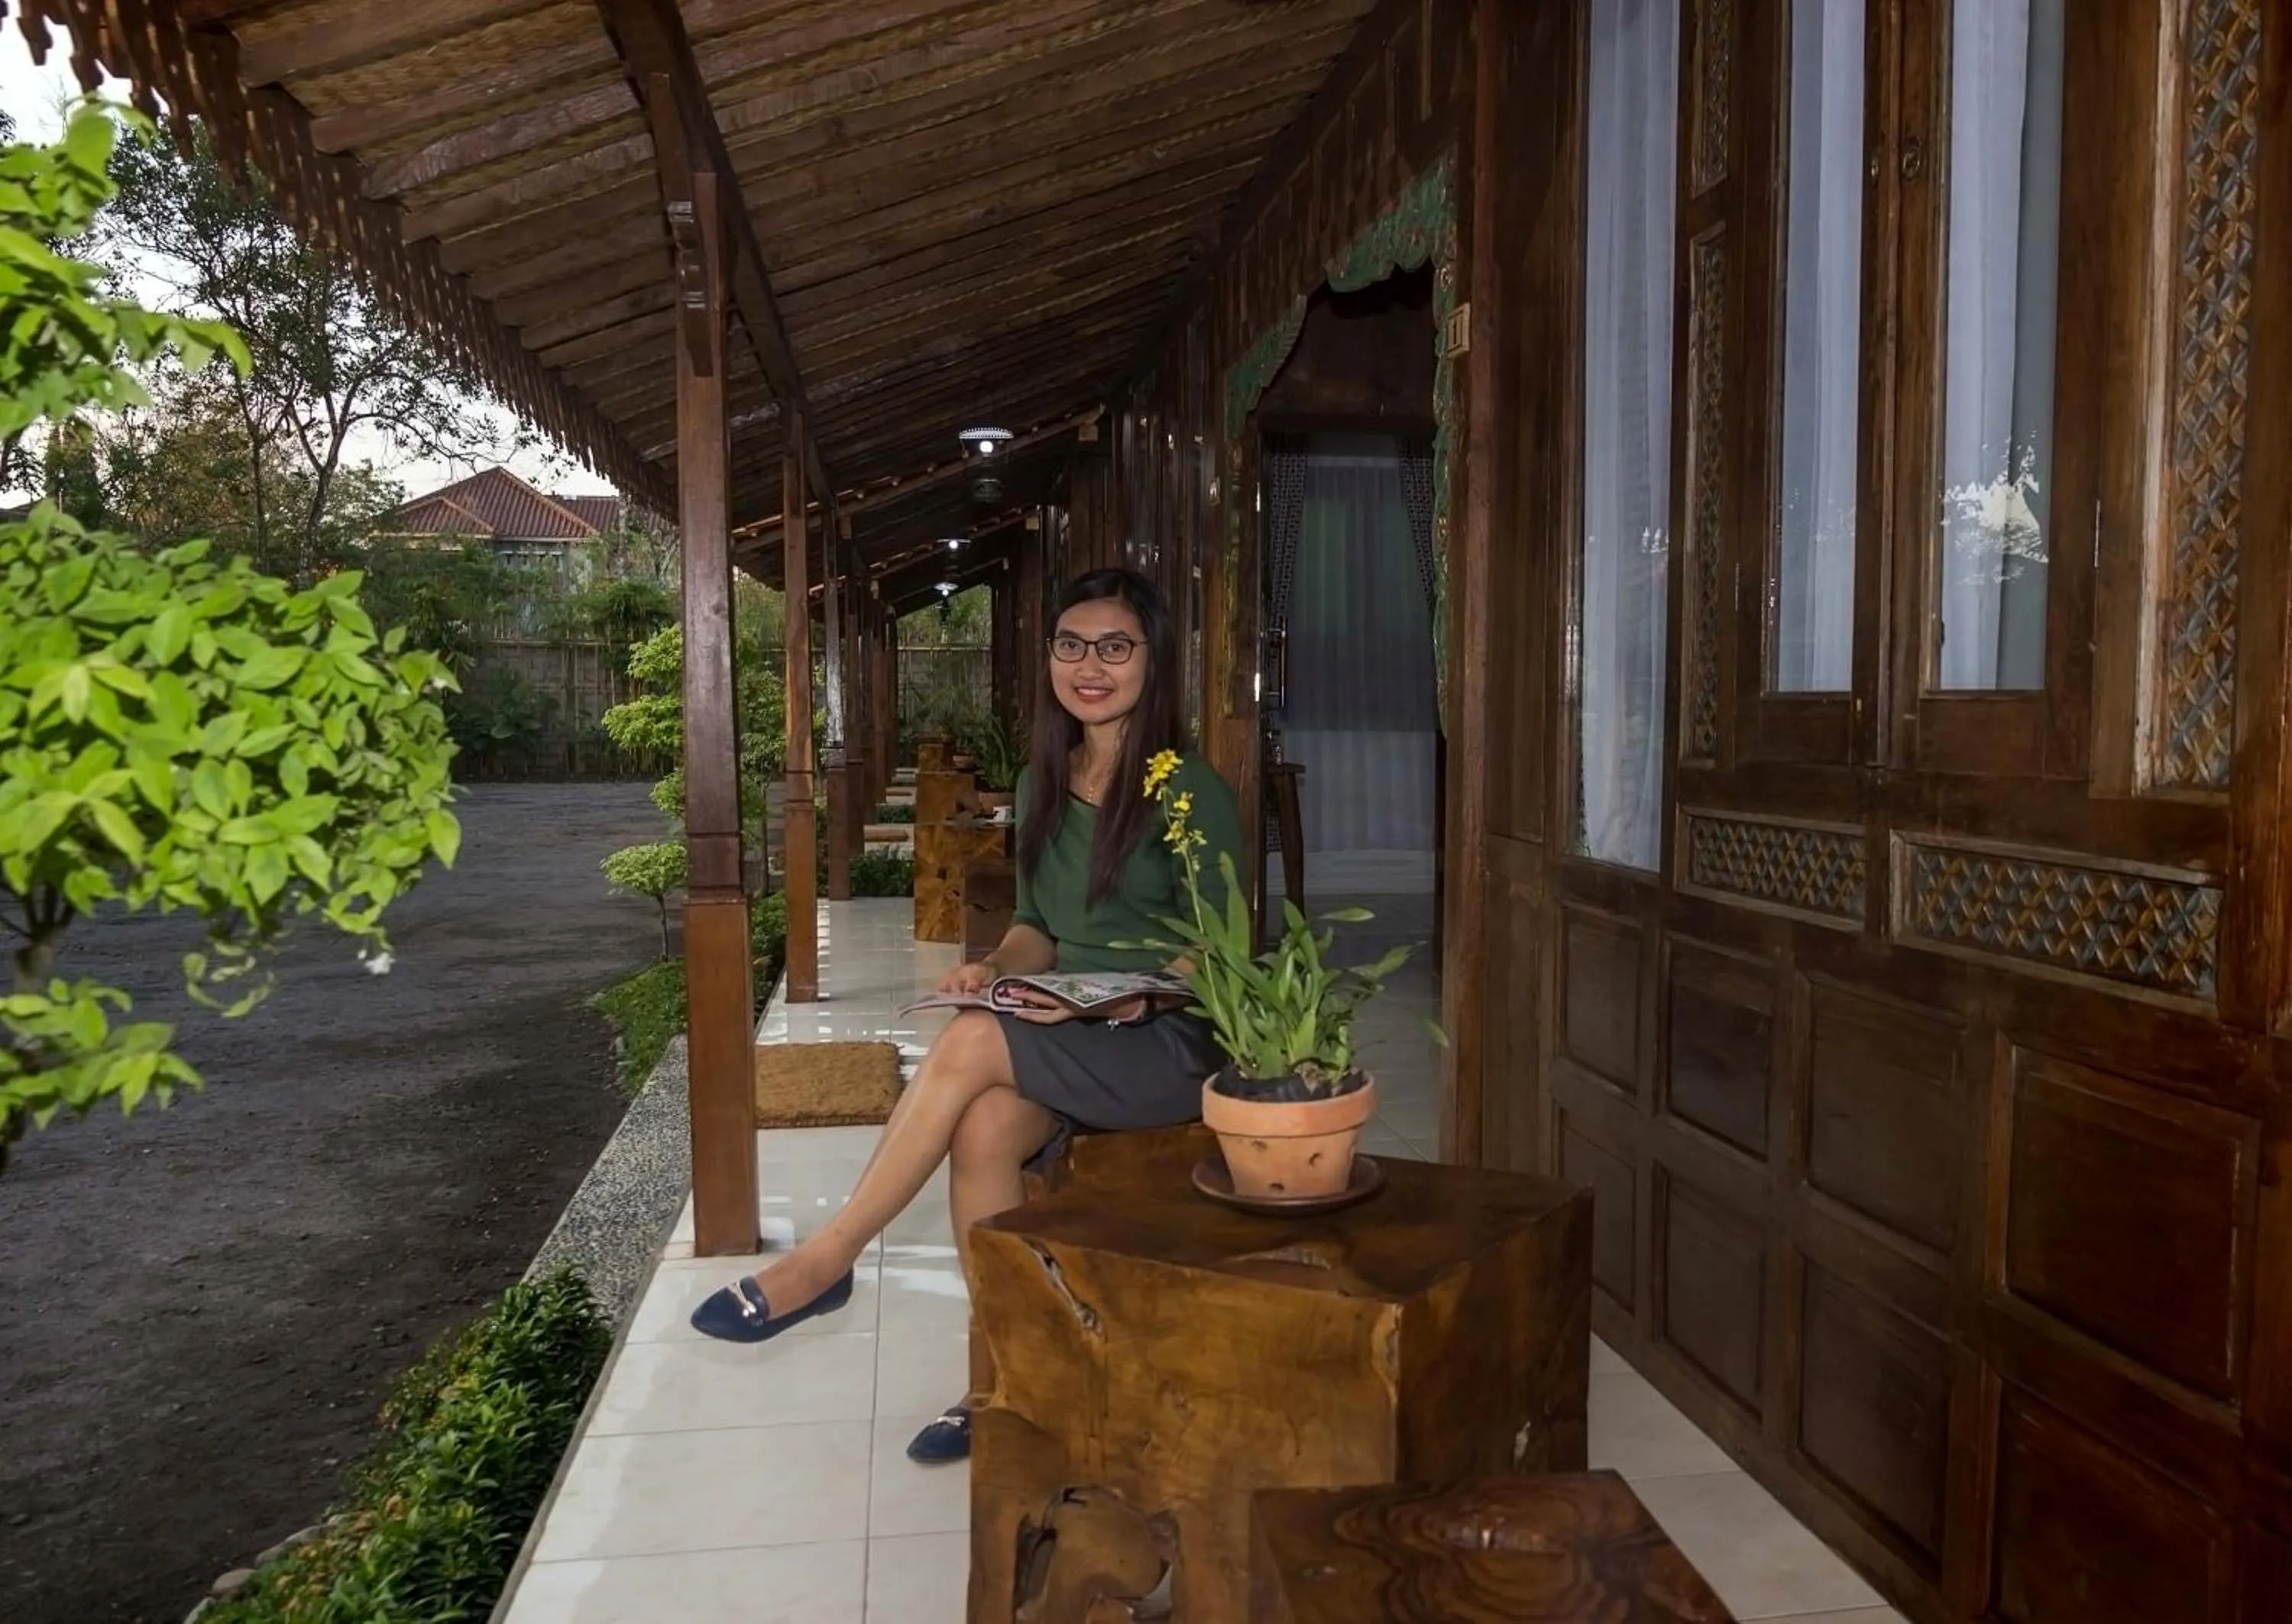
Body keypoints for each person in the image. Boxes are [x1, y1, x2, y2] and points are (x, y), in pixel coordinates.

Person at [690, 566, 1242, 1466]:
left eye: (1115, 646)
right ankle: (1010, 1379)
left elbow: (1223, 945)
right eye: (1071, 644)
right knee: (984, 1122)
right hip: (1078, 1026)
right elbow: (1039, 926)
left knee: (976, 1041)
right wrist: (991, 967)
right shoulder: (1043, 781)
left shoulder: (1188, 788)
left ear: (1155, 660)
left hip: (1169, 1035)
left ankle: (826, 1259)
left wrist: (1142, 989)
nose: (1089, 664)